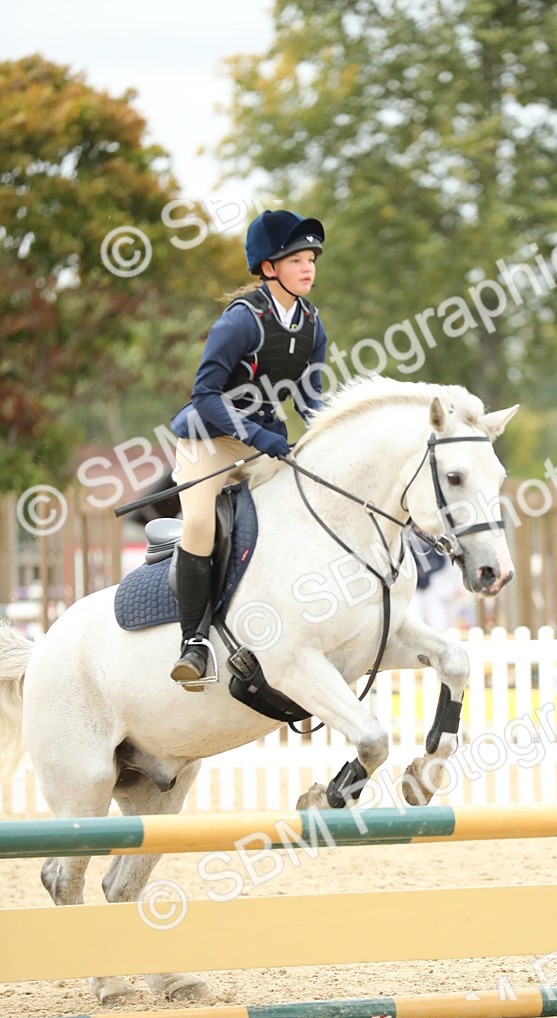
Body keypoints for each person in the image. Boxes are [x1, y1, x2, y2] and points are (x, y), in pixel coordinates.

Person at [168, 209, 328, 688]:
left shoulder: (312, 324)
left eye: (312, 259)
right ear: (268, 268)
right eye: (296, 259)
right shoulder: (241, 322)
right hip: (209, 439)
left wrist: (324, 434)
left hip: (264, 441)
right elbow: (205, 395)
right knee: (199, 522)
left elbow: (310, 396)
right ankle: (193, 641)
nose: (308, 268)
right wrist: (257, 436)